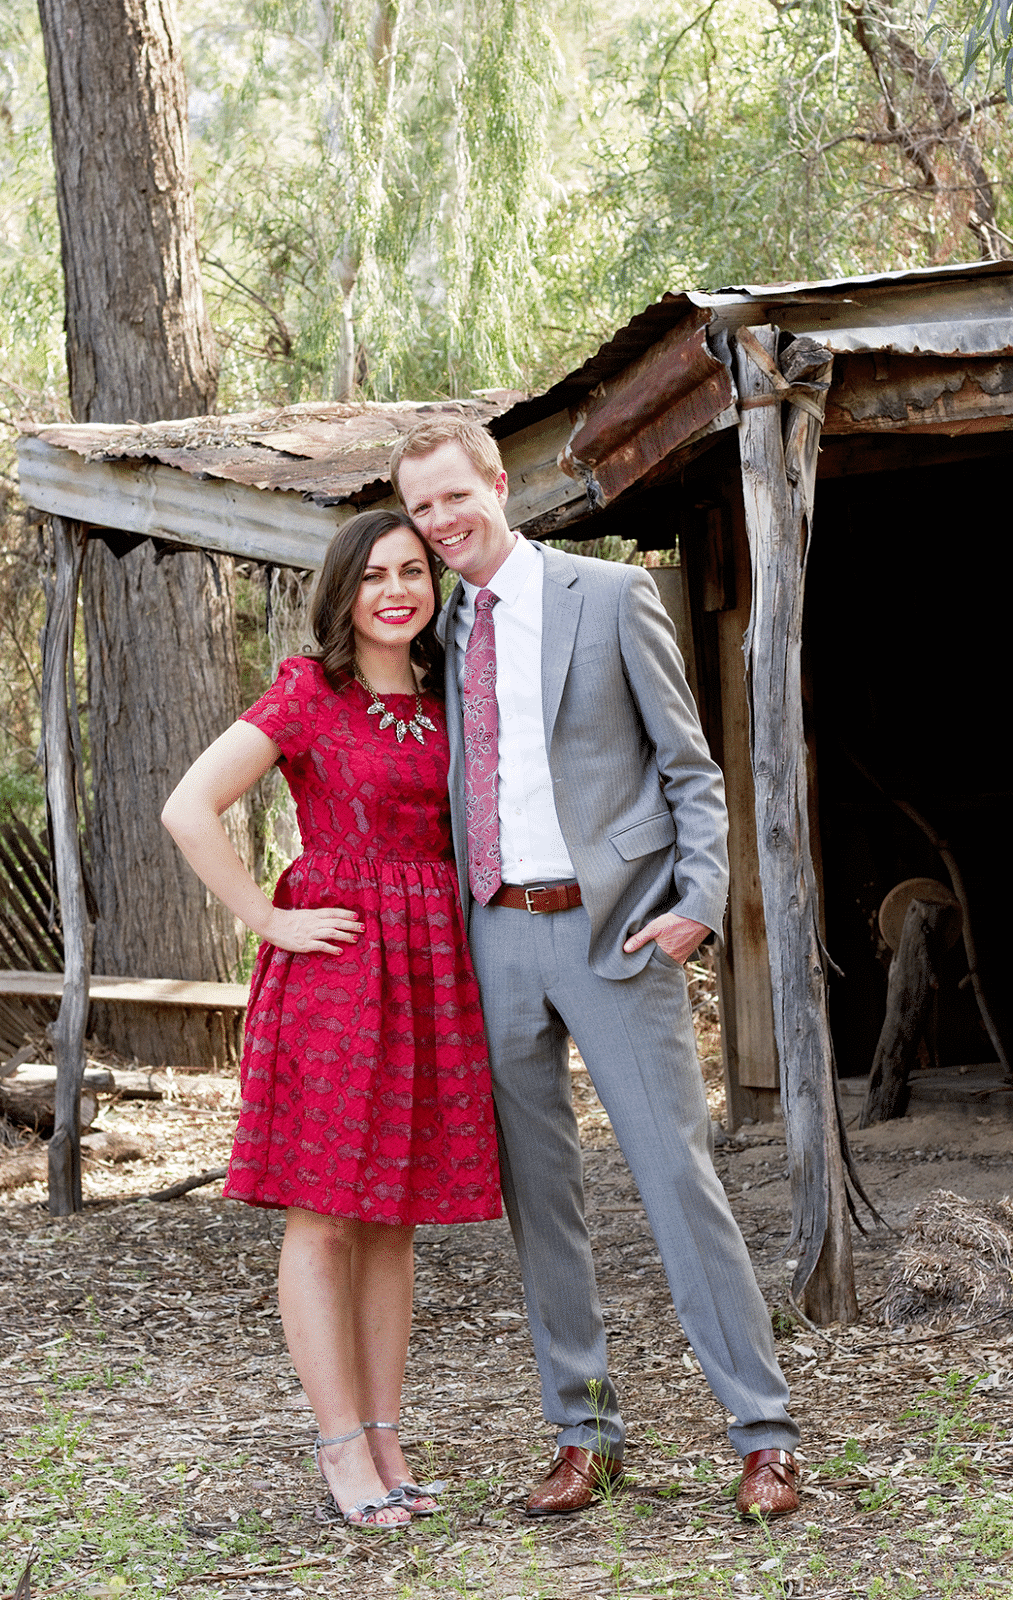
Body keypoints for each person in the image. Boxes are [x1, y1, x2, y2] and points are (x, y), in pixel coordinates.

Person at [391, 416, 800, 1521]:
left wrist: (694, 906)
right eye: (420, 510)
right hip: (496, 940)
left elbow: (690, 769)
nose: (440, 524)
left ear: (495, 482)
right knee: (544, 1204)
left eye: (451, 497)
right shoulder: (439, 628)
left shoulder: (607, 598)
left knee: (677, 1182)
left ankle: (761, 1436)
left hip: (616, 931)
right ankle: (584, 1436)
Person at [161, 509, 501, 1529]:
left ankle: (387, 1436)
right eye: (374, 575)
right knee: (325, 1215)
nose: (396, 590)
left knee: (392, 1219)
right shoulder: (310, 693)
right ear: (342, 591)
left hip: (432, 972)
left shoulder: (449, 698)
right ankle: (339, 1446)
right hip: (340, 975)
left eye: (413, 571)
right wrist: (267, 915)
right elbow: (187, 806)